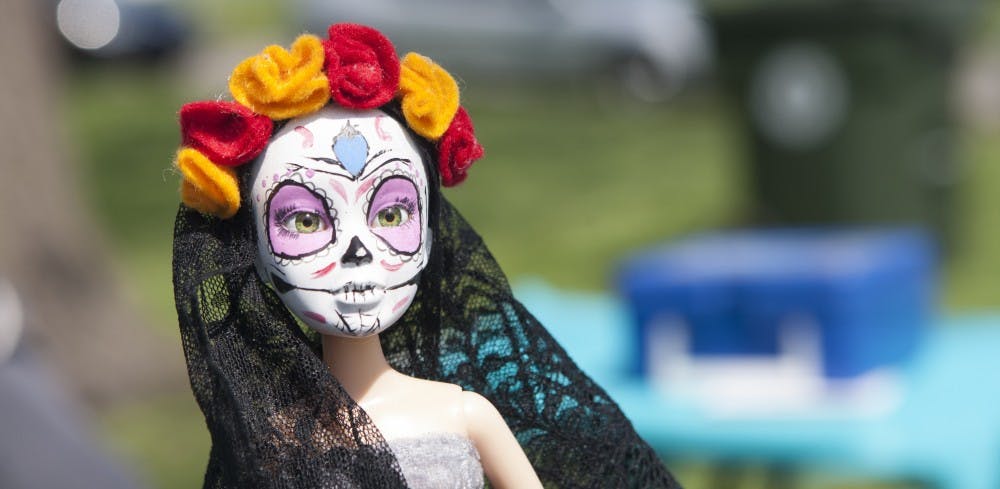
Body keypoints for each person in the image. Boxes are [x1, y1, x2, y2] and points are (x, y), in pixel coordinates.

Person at [172, 23, 680, 488]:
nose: (357, 251)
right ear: (255, 254)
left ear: (431, 235)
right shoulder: (273, 442)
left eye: (391, 215)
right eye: (305, 221)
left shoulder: (464, 416)